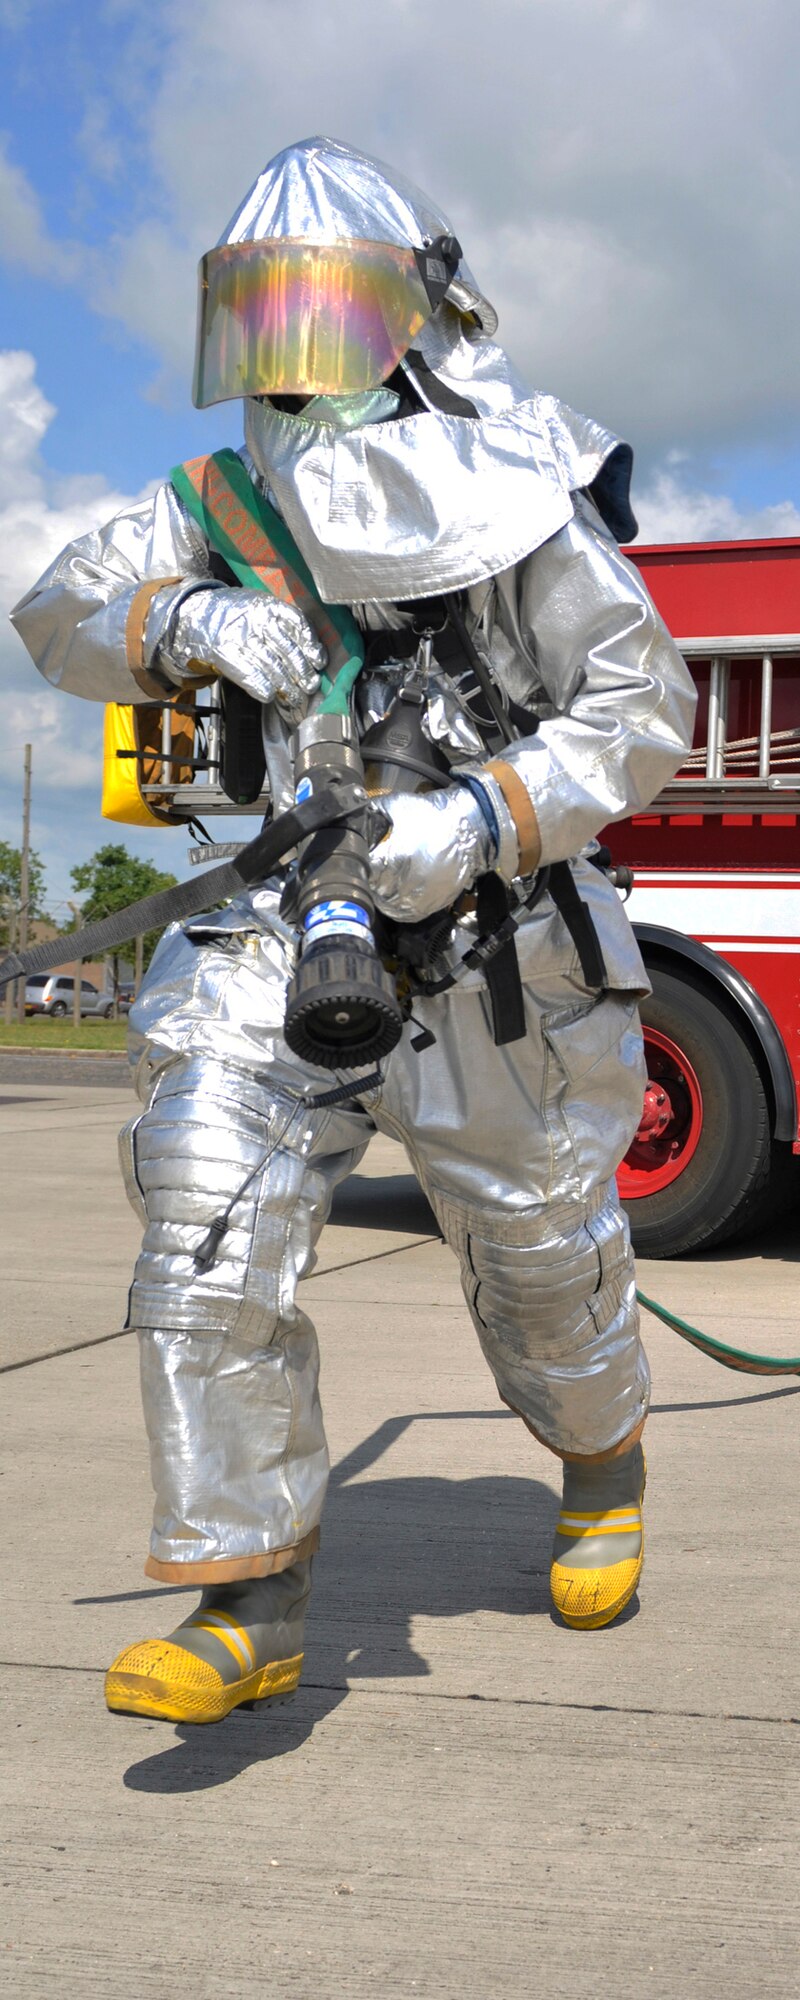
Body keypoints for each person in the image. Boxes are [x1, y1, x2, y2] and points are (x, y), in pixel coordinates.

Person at [11, 136, 695, 1723]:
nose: (289, 352)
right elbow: (52, 609)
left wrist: (479, 817)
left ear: (408, 310)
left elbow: (640, 702)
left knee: (538, 1256)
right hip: (285, 906)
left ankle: (602, 1469)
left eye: (317, 310)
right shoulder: (217, 504)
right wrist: (179, 619)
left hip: (489, 932)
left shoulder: (521, 487)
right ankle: (247, 1596)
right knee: (201, 1204)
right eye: (262, 314)